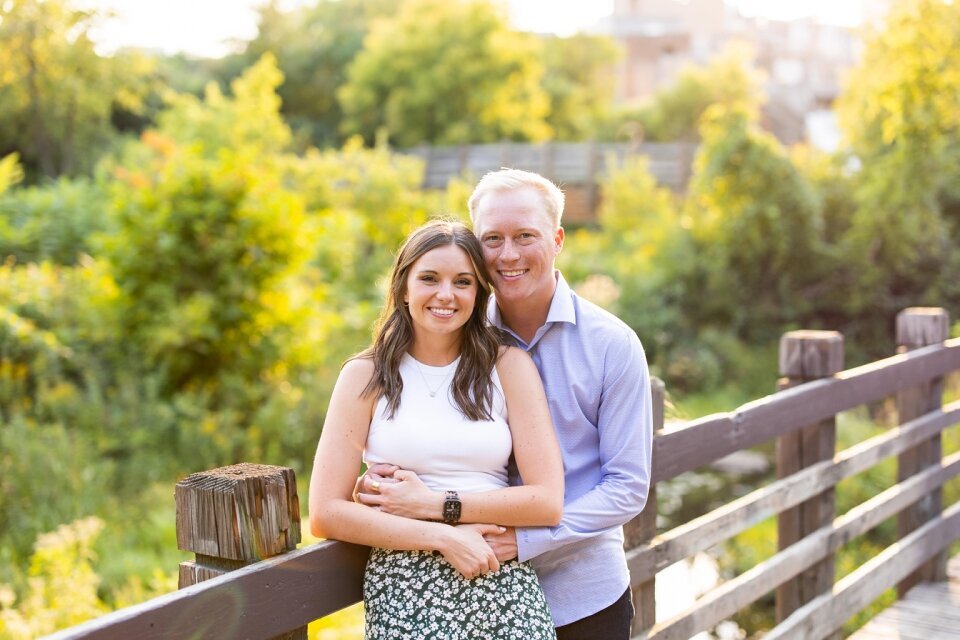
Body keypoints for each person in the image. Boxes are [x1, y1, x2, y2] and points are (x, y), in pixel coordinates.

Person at [360, 169, 653, 639]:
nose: (508, 254)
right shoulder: (450, 334)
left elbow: (627, 487)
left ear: (557, 239)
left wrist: (525, 538)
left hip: (583, 593)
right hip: (471, 589)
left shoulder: (612, 346)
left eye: (525, 236)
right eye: (492, 239)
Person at [309, 219, 565, 639]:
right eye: (429, 278)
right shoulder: (365, 376)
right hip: (404, 583)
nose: (446, 295)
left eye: (462, 281)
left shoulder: (508, 367)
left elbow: (546, 501)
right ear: (403, 287)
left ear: (479, 293)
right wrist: (442, 538)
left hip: (496, 574)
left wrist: (434, 504)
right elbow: (325, 512)